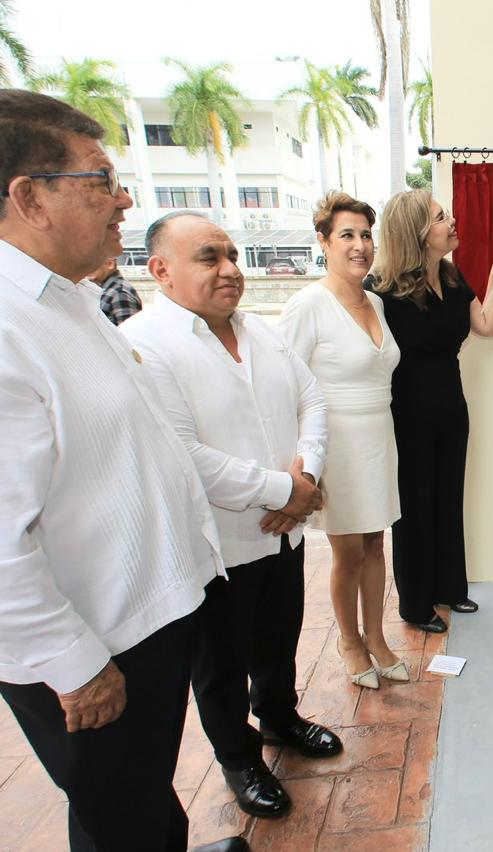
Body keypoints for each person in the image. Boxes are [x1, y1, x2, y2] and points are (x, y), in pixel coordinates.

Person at [0, 90, 240, 852]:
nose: (123, 198)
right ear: (28, 197)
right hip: (92, 647)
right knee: (120, 819)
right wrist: (76, 667)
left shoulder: (65, 301)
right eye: (100, 179)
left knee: (140, 800)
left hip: (140, 619)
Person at [123, 211, 344, 820]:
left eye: (230, 255)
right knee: (219, 662)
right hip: (218, 544)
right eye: (208, 258)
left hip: (281, 534)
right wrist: (286, 490)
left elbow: (312, 400)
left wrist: (307, 475)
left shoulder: (258, 331)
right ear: (161, 270)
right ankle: (238, 756)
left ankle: (278, 717)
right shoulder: (144, 342)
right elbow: (183, 452)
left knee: (279, 636)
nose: (228, 270)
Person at [373, 190, 493, 632]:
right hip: (407, 415)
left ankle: (449, 588)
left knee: (448, 498)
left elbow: (486, 327)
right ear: (417, 232)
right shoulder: (383, 291)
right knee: (415, 509)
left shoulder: (453, 279)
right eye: (440, 217)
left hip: (452, 410)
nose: (451, 221)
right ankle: (415, 606)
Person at [280, 191, 407, 690]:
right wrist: (305, 464)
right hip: (336, 443)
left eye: (366, 235)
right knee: (348, 549)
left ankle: (377, 636)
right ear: (323, 242)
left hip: (379, 435)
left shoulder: (375, 300)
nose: (360, 246)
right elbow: (285, 386)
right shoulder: (307, 304)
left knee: (376, 541)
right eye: (347, 236)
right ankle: (349, 641)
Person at [90, 254, 142, 325]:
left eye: (92, 263)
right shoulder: (111, 289)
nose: (87, 268)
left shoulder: (120, 292)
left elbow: (128, 333)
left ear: (110, 264)